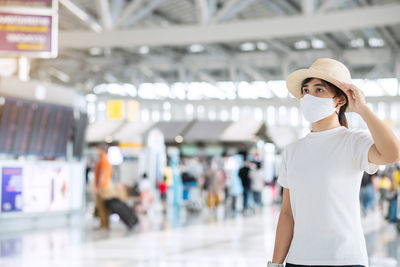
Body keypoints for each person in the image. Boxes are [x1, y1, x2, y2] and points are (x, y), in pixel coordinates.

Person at [269, 58, 400, 267]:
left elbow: (393, 153)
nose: (309, 96)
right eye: (306, 90)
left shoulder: (354, 142)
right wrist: (275, 263)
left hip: (345, 259)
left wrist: (363, 110)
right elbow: (286, 214)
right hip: (298, 260)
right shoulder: (291, 152)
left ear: (339, 100)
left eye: (319, 90)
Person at [94, 145, 113, 230]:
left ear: (101, 150)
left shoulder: (103, 160)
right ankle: (105, 224)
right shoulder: (106, 160)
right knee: (105, 207)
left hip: (103, 187)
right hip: (106, 186)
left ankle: (103, 225)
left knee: (101, 207)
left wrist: (98, 188)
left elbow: (102, 174)